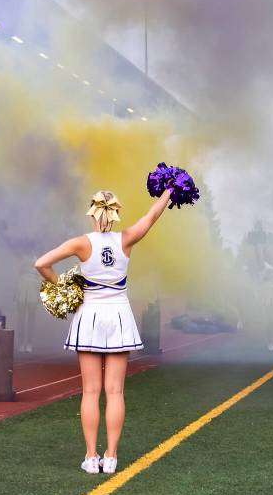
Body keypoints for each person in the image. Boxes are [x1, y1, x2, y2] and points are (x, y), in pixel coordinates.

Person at [34, 188, 172, 475]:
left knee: (91, 391)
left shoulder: (81, 243)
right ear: (115, 212)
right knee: (116, 391)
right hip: (119, 317)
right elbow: (153, 215)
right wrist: (170, 190)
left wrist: (61, 285)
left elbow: (40, 264)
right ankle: (111, 457)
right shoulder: (127, 239)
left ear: (93, 212)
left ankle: (91, 456)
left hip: (90, 318)